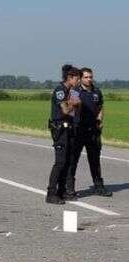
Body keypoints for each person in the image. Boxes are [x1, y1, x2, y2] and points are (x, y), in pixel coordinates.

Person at [66, 68, 112, 197]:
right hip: (78, 129)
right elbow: (70, 109)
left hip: (93, 130)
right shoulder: (75, 91)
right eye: (86, 77)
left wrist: (100, 119)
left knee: (95, 160)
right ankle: (70, 188)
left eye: (91, 77)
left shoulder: (96, 91)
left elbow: (100, 107)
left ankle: (99, 186)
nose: (89, 79)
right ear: (81, 78)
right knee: (73, 159)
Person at [46, 65, 82, 204]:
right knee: (60, 162)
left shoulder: (71, 91)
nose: (78, 82)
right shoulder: (60, 90)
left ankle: (62, 191)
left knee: (68, 161)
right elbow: (66, 110)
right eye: (77, 79)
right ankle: (51, 194)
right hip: (60, 129)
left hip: (69, 129)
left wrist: (75, 104)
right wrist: (74, 104)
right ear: (70, 77)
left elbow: (72, 113)